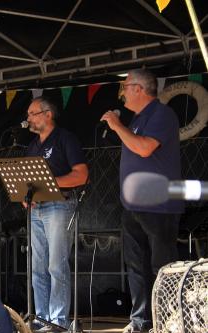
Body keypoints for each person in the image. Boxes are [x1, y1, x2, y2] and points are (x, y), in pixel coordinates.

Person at [101, 69, 183, 333]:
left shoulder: (161, 114)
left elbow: (145, 148)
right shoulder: (136, 119)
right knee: (136, 267)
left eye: (125, 86)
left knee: (162, 266)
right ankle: (140, 321)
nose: (122, 91)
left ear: (139, 89)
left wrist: (116, 125)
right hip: (133, 205)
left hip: (159, 204)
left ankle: (168, 321)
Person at [25, 96, 88, 331]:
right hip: (36, 209)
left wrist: (49, 183)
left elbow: (81, 175)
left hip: (59, 206)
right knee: (37, 268)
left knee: (56, 265)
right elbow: (28, 182)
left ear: (48, 114)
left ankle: (58, 320)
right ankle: (41, 318)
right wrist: (25, 196)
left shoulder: (65, 139)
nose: (28, 118)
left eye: (33, 113)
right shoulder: (32, 147)